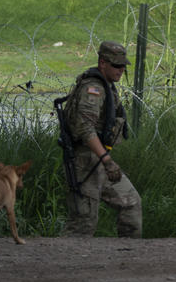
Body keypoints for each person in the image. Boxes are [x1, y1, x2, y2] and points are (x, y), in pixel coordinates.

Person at [61, 40, 142, 238]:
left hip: (100, 161)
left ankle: (128, 255)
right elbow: (85, 128)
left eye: (123, 65)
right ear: (102, 63)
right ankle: (62, 264)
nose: (121, 70)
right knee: (83, 224)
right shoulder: (93, 89)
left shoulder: (107, 86)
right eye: (116, 65)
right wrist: (107, 160)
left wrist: (105, 161)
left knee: (131, 202)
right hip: (86, 162)